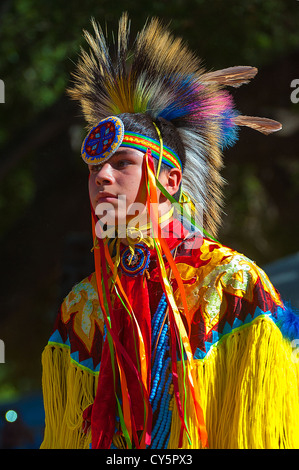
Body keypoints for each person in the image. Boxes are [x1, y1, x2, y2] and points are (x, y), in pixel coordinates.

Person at [40, 14, 299, 450]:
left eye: (121, 163)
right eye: (93, 169)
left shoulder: (232, 285)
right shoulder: (82, 308)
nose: (101, 178)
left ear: (171, 180)